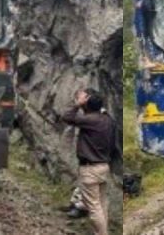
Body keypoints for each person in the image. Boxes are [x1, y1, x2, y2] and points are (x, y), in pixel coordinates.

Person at [62, 89, 115, 235]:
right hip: (103, 166)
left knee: (94, 207)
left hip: (90, 169)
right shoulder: (107, 119)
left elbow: (67, 117)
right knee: (102, 204)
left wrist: (78, 104)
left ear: (87, 103)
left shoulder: (90, 120)